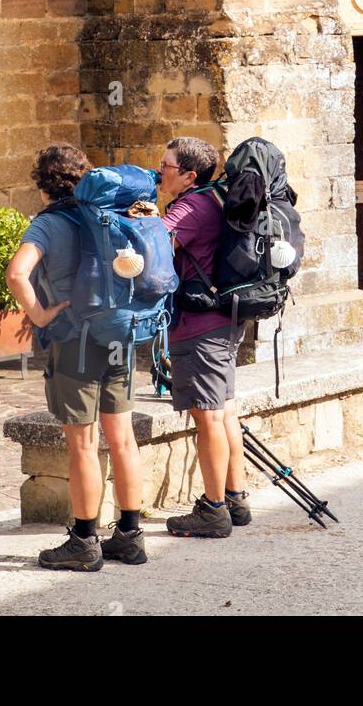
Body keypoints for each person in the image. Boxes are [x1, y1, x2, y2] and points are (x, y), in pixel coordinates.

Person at [5, 143, 147, 571]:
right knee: (122, 440)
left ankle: (84, 540)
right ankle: (129, 536)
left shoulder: (47, 224)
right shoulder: (108, 215)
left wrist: (40, 313)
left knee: (83, 444)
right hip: (120, 335)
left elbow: (16, 273)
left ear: (42, 183)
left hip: (76, 342)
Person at [158, 137, 252, 539]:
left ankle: (213, 510)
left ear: (189, 175)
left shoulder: (191, 207)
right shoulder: (213, 199)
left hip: (199, 328)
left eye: (166, 166)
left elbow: (153, 248)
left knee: (207, 415)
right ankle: (234, 497)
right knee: (225, 410)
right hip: (222, 322)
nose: (160, 172)